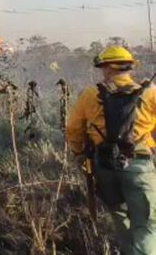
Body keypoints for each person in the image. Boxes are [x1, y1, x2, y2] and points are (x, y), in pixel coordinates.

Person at [66, 45, 156, 254]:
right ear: (130, 68)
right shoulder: (151, 94)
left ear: (107, 68)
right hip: (139, 166)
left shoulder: (90, 95)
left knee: (121, 222)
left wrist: (79, 155)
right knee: (146, 225)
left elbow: (73, 129)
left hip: (105, 167)